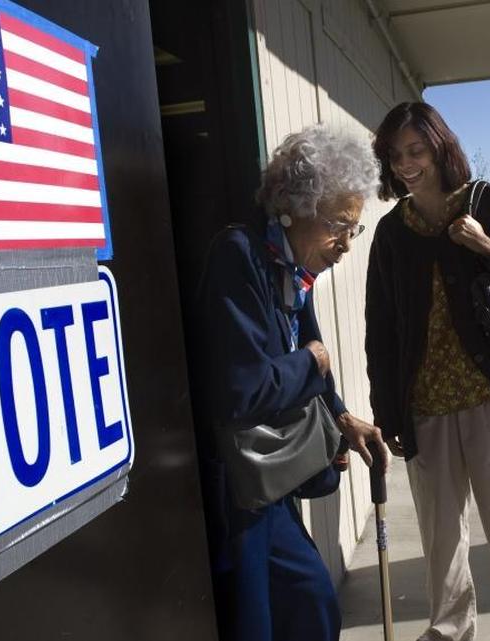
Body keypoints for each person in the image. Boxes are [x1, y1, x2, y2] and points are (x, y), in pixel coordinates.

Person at [366, 101, 490, 641]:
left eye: (416, 150)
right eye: (396, 154)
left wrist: (489, 247)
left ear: (439, 147)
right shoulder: (390, 233)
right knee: (441, 544)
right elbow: (380, 329)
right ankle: (451, 632)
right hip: (425, 408)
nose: (406, 163)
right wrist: (388, 413)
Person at [194, 124, 390, 641]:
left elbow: (313, 361)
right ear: (296, 206)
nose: (346, 244)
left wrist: (344, 419)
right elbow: (242, 388)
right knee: (275, 617)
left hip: (270, 480)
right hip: (243, 485)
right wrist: (310, 360)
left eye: (354, 229)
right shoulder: (241, 256)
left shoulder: (290, 268)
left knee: (309, 605)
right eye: (339, 226)